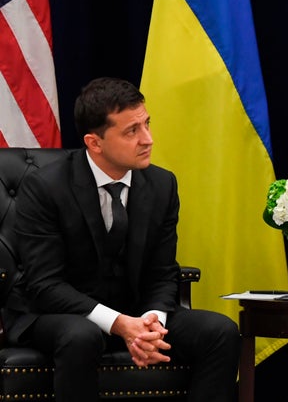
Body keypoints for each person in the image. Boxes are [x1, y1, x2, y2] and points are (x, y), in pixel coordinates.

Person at [4, 77, 241, 402]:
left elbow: (162, 272)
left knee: (220, 331)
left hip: (135, 312)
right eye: (131, 131)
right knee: (81, 336)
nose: (148, 140)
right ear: (94, 142)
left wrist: (151, 324)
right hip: (58, 315)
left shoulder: (162, 185)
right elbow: (45, 286)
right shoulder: (46, 188)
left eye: (146, 124)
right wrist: (118, 324)